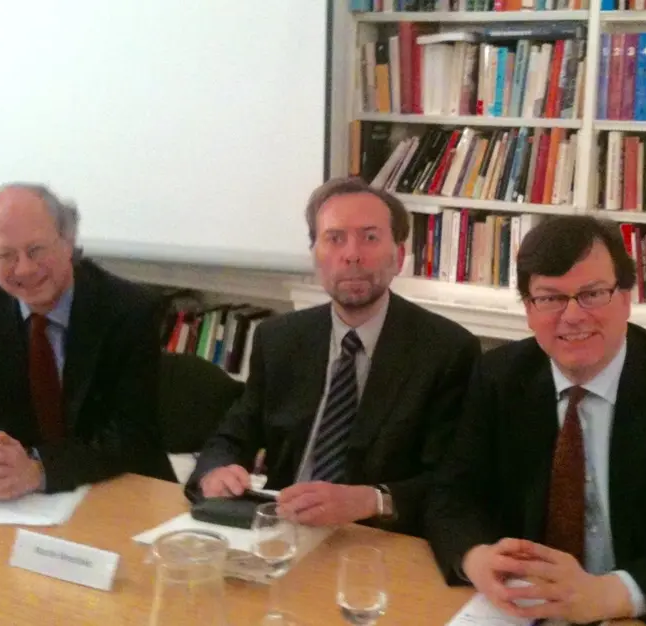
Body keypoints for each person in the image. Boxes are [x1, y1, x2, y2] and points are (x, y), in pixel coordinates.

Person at [425, 215, 646, 624]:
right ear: (528, 310)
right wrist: (475, 557)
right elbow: (452, 494)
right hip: (529, 606)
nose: (572, 316)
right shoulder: (499, 376)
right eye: (549, 298)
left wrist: (612, 593)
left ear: (626, 298)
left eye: (592, 294)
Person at [186, 176, 481, 536]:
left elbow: (452, 482)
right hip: (280, 528)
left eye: (370, 237)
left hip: (378, 540)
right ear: (315, 255)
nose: (352, 254)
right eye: (335, 238)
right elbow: (233, 435)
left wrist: (372, 500)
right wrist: (215, 471)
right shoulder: (280, 338)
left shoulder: (447, 351)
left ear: (399, 256)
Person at [0, 183, 175, 501]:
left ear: (68, 242)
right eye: (6, 255)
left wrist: (40, 470)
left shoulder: (129, 309)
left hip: (118, 486)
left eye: (36, 249)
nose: (25, 268)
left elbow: (132, 435)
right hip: (21, 498)